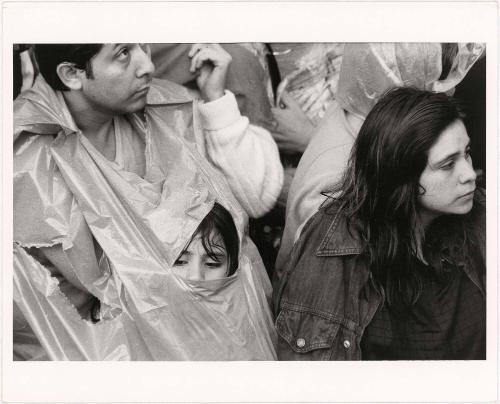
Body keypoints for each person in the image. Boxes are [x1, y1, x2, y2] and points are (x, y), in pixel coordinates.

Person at [13, 43, 281, 360]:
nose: (147, 66)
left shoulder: (166, 106)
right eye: (124, 53)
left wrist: (217, 102)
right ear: (72, 74)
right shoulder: (28, 161)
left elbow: (256, 200)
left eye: (143, 45)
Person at [273, 87, 486, 360]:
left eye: (466, 153)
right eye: (447, 165)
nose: (469, 174)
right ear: (401, 173)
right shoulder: (333, 248)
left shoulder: (479, 213)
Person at [275, 43, 485, 280]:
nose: (450, 94)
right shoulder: (336, 182)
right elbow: (340, 286)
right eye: (439, 87)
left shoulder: (363, 104)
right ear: (397, 88)